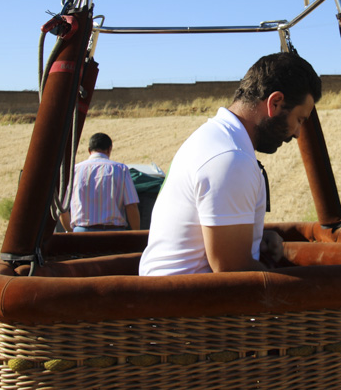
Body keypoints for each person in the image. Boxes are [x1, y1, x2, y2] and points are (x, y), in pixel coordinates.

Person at [139, 52, 321, 276]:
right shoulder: (230, 158)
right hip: (187, 306)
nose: (297, 133)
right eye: (299, 119)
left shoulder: (214, 138)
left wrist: (256, 239)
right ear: (275, 102)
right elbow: (233, 272)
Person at [60, 133, 140, 232]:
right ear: (109, 149)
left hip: (81, 234)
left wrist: (71, 232)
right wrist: (136, 233)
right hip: (114, 234)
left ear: (89, 150)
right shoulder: (121, 169)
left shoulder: (74, 170)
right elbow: (131, 205)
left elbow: (62, 209)